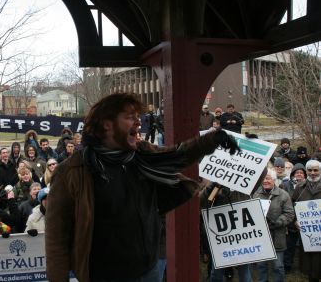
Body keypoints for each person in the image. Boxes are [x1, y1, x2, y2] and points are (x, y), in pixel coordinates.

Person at [45, 93, 240, 282]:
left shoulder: (142, 154)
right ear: (107, 124)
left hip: (149, 270)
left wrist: (212, 139)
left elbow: (177, 155)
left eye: (138, 117)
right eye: (130, 117)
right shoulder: (71, 171)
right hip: (104, 276)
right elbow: (56, 238)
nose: (138, 122)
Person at [253, 169, 295, 282]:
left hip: (278, 235)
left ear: (274, 180)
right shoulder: (256, 194)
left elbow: (290, 213)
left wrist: (278, 222)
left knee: (278, 266)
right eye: (263, 179)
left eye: (268, 178)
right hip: (261, 237)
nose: (265, 181)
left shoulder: (283, 195)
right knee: (261, 265)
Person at [292, 160, 321, 281]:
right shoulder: (299, 187)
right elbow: (292, 206)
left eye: (316, 170)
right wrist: (295, 221)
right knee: (311, 266)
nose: (313, 173)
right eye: (310, 170)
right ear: (306, 171)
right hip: (307, 233)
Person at [280, 163, 306, 273]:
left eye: (301, 172)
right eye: (297, 172)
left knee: (305, 246)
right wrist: (292, 219)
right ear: (292, 174)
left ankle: (304, 266)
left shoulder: (309, 185)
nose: (299, 174)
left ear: (304, 175)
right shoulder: (285, 185)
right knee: (289, 246)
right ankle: (287, 265)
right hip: (290, 221)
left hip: (305, 220)